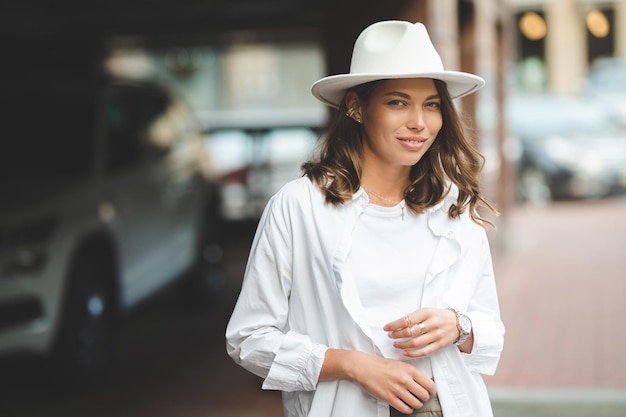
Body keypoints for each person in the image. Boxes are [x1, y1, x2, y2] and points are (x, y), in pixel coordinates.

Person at [225, 20, 505, 417]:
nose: (419, 123)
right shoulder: (299, 207)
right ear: (356, 107)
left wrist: (458, 326)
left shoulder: (453, 206)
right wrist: (353, 365)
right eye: (397, 102)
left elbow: (491, 331)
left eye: (431, 104)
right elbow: (248, 339)